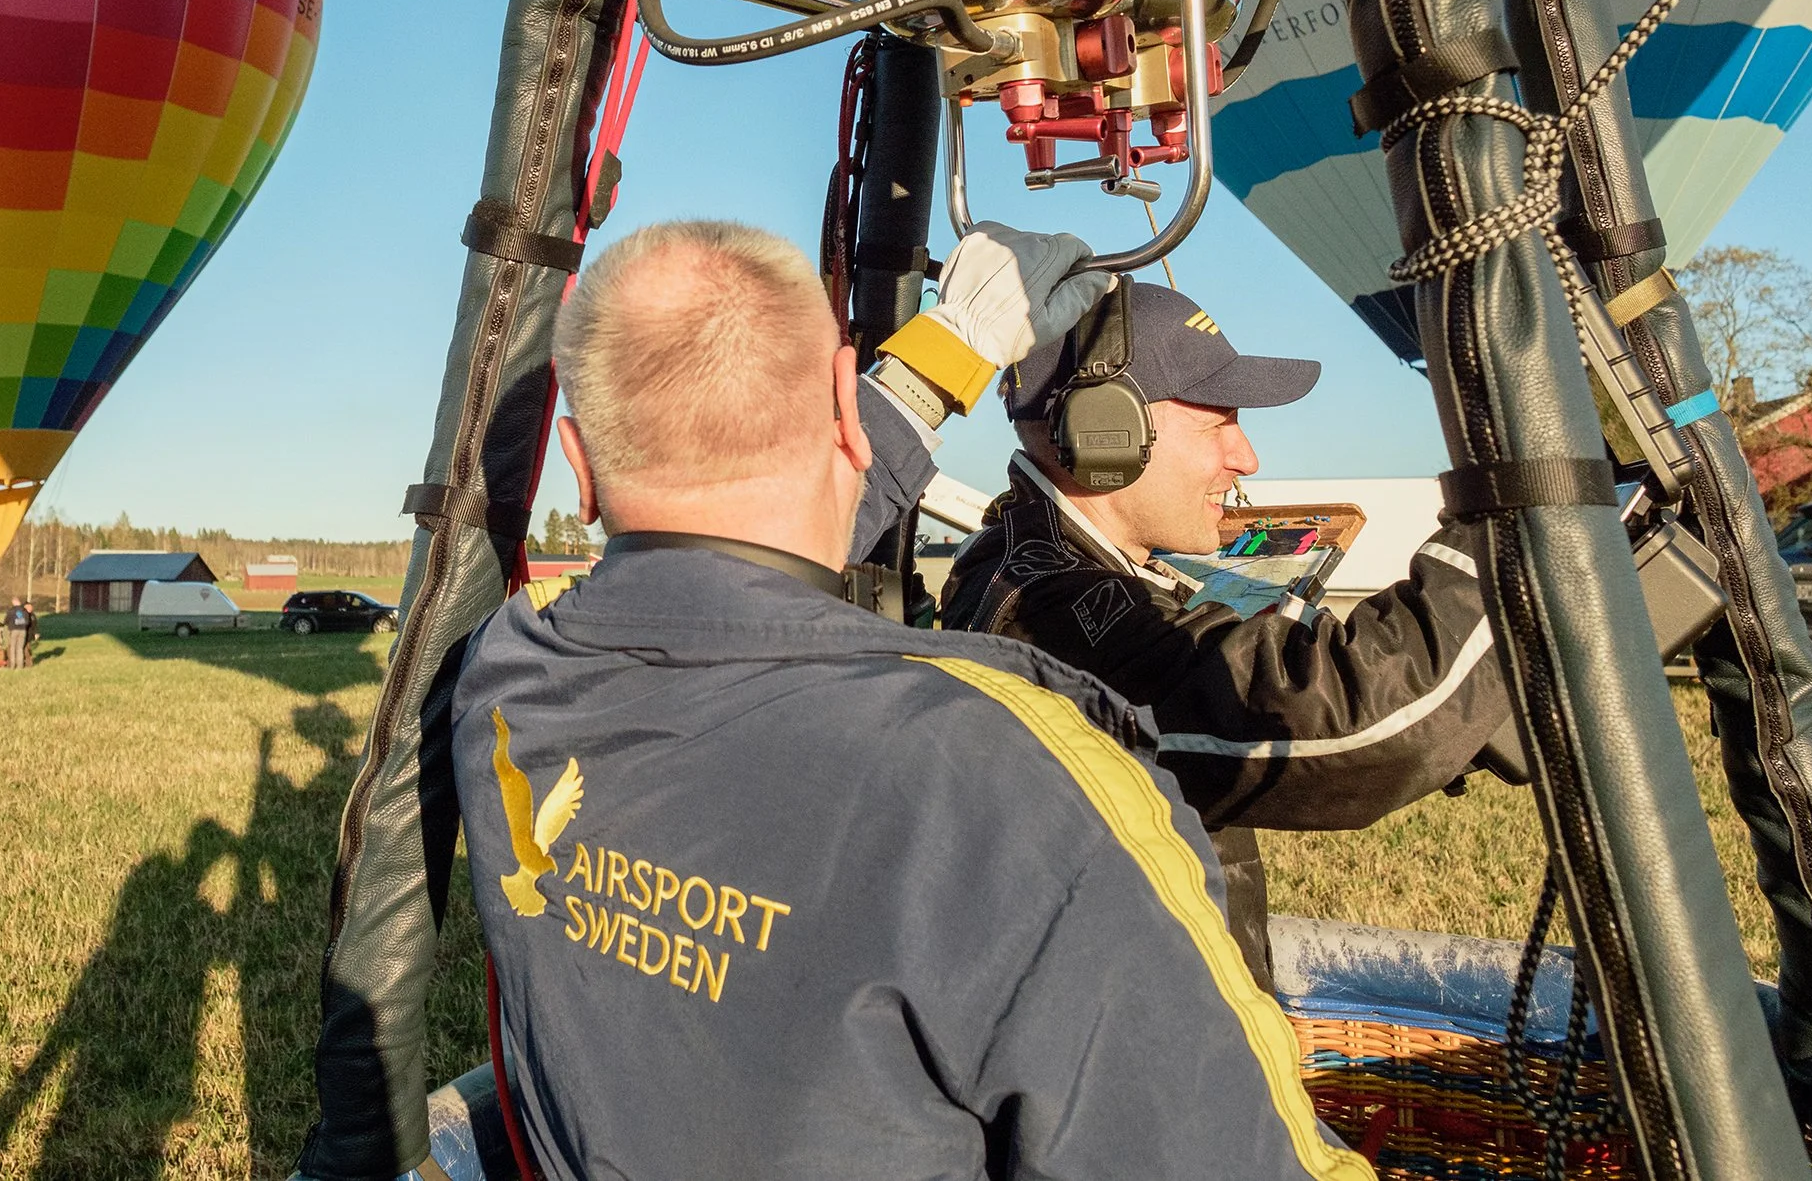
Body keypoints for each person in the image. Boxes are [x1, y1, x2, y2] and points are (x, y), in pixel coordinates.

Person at [452, 220, 1375, 1181]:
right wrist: (936, 359)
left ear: (580, 464)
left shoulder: (507, 678)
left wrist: (938, 367)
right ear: (844, 419)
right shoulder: (1022, 788)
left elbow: (722, 552)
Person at [941, 278, 1507, 980]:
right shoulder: (1048, 605)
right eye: (1218, 421)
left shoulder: (1058, 565)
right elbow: (1346, 720)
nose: (1247, 457)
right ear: (1104, 431)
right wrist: (1513, 522)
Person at [4, 596, 34, 671]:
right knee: (20, 648)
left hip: (14, 630)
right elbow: (27, 621)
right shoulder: (24, 611)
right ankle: (20, 665)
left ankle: (13, 665)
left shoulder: (11, 611)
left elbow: (6, 621)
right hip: (23, 630)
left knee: (13, 648)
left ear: (13, 602)